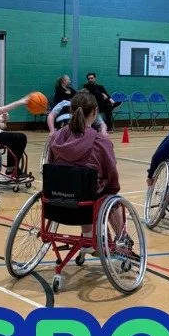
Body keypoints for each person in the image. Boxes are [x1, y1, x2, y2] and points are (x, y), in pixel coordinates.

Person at [46, 91, 124, 251]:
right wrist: (113, 189)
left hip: (55, 201)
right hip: (85, 203)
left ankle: (89, 235)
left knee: (77, 184)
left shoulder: (56, 137)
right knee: (109, 194)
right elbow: (112, 173)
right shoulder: (100, 140)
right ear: (95, 112)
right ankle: (123, 240)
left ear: (70, 111)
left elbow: (50, 164)